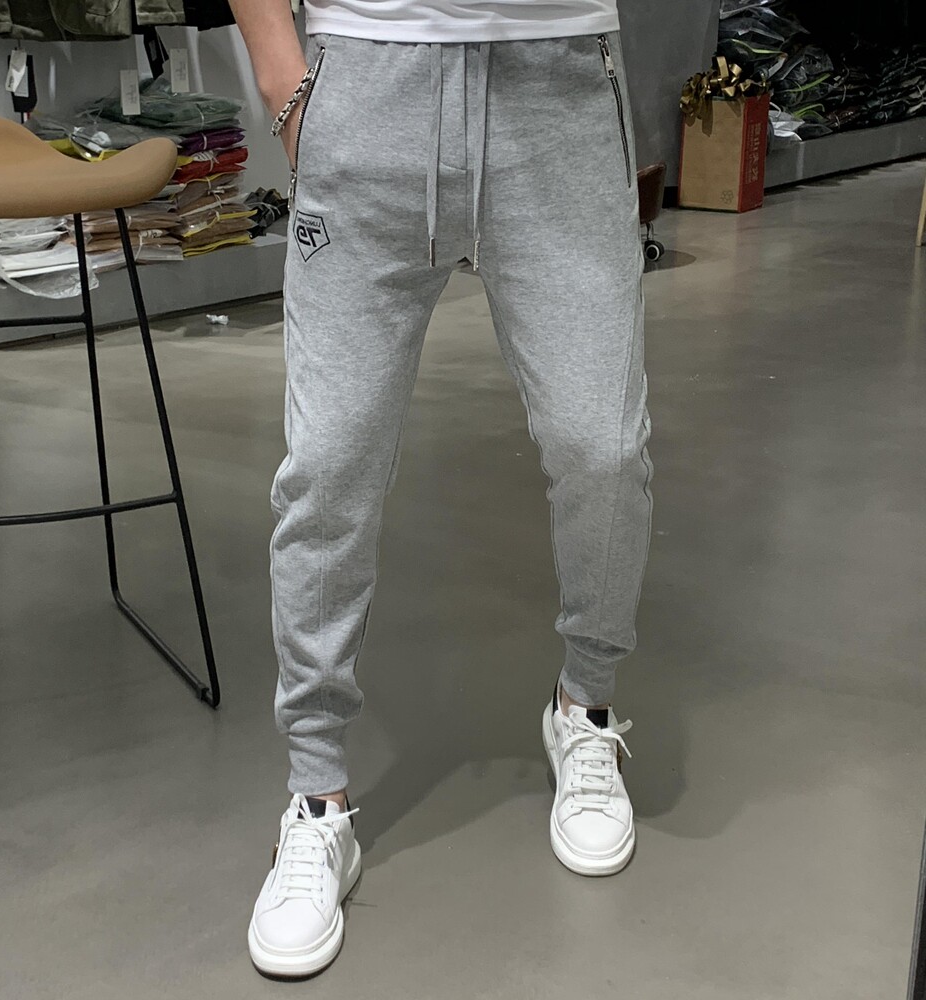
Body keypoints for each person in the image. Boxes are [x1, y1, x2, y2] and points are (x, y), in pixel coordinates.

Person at [229, 0, 654, 978]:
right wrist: (280, 73)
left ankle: (585, 709)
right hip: (366, 79)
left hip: (558, 82)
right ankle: (317, 794)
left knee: (602, 448)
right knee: (328, 466)